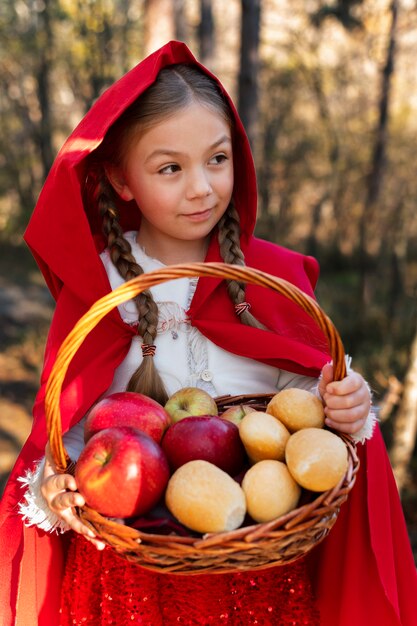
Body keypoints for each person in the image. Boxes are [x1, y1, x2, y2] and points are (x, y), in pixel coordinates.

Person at [0, 41, 415, 626]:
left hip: (256, 564)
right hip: (131, 575)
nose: (201, 188)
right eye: (171, 167)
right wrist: (58, 490)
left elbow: (310, 402)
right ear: (121, 179)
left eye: (216, 160)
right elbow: (69, 433)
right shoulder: (100, 286)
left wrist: (349, 404)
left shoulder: (270, 276)